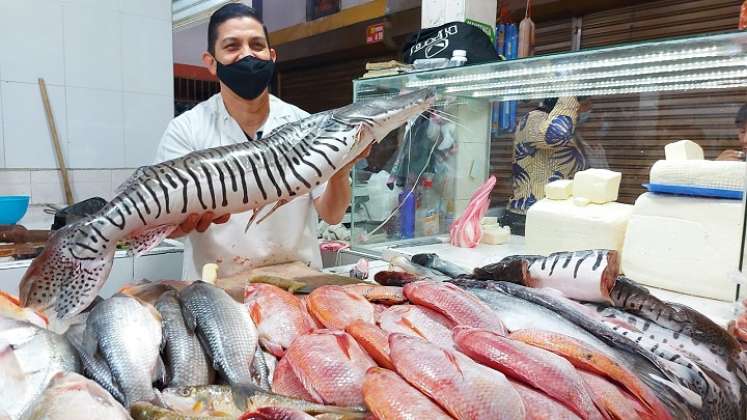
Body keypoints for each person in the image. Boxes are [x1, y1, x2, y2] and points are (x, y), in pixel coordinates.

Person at [155, 3, 365, 280]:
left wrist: (341, 170)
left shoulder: (303, 124)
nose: (248, 55)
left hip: (297, 285)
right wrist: (182, 224)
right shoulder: (186, 130)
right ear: (210, 61)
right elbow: (166, 225)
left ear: (271, 55)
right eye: (232, 47)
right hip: (217, 289)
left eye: (257, 45)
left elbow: (333, 214)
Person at [501, 96, 593, 235]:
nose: (590, 109)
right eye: (586, 103)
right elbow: (558, 134)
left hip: (553, 216)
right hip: (528, 217)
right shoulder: (534, 119)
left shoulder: (571, 130)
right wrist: (569, 97)